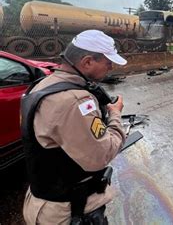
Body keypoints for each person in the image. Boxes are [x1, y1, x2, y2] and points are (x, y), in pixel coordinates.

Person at [21, 30, 128, 224]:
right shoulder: (75, 100)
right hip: (68, 212)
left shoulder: (42, 85)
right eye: (108, 62)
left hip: (45, 201)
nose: (111, 67)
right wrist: (115, 114)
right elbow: (100, 156)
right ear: (87, 62)